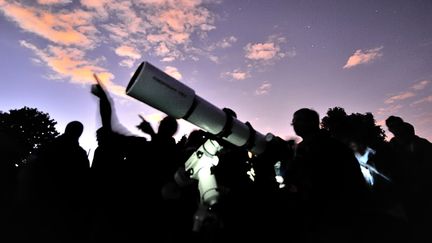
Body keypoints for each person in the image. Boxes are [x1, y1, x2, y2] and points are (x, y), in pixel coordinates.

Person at [285, 108, 369, 242]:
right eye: (293, 121)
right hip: (313, 214)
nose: (294, 124)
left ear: (313, 122)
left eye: (299, 120)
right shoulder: (301, 149)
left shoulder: (332, 147)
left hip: (333, 215)